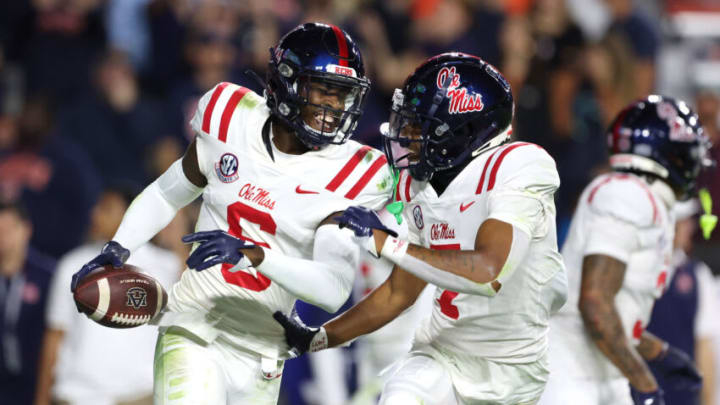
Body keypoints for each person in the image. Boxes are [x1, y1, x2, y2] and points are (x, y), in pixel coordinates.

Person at [70, 22, 393, 405]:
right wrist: (119, 247)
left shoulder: (355, 172)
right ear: (287, 82)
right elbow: (168, 192)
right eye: (324, 91)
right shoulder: (229, 115)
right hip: (195, 329)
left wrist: (255, 255)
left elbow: (332, 289)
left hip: (264, 353)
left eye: (343, 96)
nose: (334, 108)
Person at [274, 52, 569, 405]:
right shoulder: (415, 185)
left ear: (462, 130)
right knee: (400, 397)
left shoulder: (519, 165)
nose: (406, 135)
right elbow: (399, 292)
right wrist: (319, 337)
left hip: (513, 373)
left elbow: (489, 273)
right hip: (441, 353)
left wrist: (385, 243)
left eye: (420, 125)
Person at [538, 96, 713, 405]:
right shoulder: (627, 194)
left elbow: (617, 313)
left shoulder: (644, 198)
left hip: (602, 374)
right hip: (571, 377)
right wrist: (645, 382)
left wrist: (660, 352)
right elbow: (594, 304)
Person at [34, 187, 182, 405]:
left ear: (131, 215)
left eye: (107, 208)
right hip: (76, 396)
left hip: (138, 396)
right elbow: (55, 335)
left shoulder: (166, 265)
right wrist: (41, 398)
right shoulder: (72, 264)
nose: (95, 214)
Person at [646, 200, 718, 405]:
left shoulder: (697, 275)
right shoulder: (637, 272)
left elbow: (704, 346)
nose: (691, 227)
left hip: (681, 396)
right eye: (685, 222)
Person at [0, 200, 56, 405]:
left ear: (26, 229)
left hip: (37, 380)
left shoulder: (50, 277)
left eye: (9, 229)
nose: (3, 237)